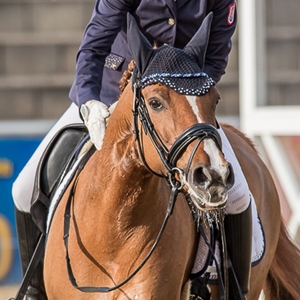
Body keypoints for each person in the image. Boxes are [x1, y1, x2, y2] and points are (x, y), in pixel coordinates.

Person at [12, 0, 252, 299]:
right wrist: (88, 101)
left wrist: (182, 98)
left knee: (238, 196)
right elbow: (93, 48)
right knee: (23, 189)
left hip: (179, 109)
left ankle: (233, 292)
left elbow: (215, 60)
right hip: (110, 94)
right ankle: (34, 292)